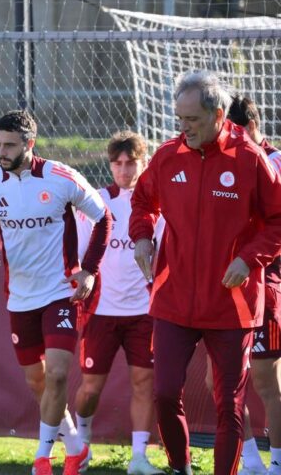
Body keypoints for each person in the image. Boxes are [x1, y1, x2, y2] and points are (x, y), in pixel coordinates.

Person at [131, 71, 281, 475]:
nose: (183, 128)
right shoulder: (168, 155)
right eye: (179, 119)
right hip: (173, 299)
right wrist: (143, 237)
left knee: (228, 406)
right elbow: (143, 202)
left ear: (218, 115)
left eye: (192, 120)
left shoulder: (250, 159)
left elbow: (277, 221)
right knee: (164, 393)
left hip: (231, 305)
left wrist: (248, 259)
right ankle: (180, 467)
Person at [0, 109, 111, 475]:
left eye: (9, 145)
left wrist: (89, 270)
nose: (1, 151)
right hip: (20, 297)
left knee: (58, 374)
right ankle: (74, 446)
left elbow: (103, 217)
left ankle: (42, 458)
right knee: (38, 381)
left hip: (61, 291)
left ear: (30, 144)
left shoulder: (60, 176)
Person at [71, 131, 163, 475]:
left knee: (144, 383)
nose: (124, 170)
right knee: (91, 387)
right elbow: (80, 257)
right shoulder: (96, 203)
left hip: (144, 312)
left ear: (143, 163)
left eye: (131, 163)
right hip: (101, 311)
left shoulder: (158, 204)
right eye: (117, 163)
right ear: (110, 165)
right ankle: (81, 442)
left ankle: (139, 458)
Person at [199, 94, 281, 475]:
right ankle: (250, 460)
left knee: (265, 378)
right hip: (222, 287)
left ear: (249, 127)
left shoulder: (274, 162)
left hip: (266, 284)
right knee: (219, 380)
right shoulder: (219, 162)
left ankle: (277, 462)